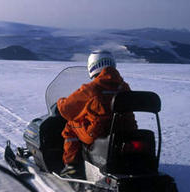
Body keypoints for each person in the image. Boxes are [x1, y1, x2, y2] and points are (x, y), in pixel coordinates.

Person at [56, 50, 135, 178]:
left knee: (71, 126)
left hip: (98, 133)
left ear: (92, 66)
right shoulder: (124, 87)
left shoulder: (92, 88)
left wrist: (60, 102)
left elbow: (66, 109)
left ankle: (71, 167)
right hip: (125, 131)